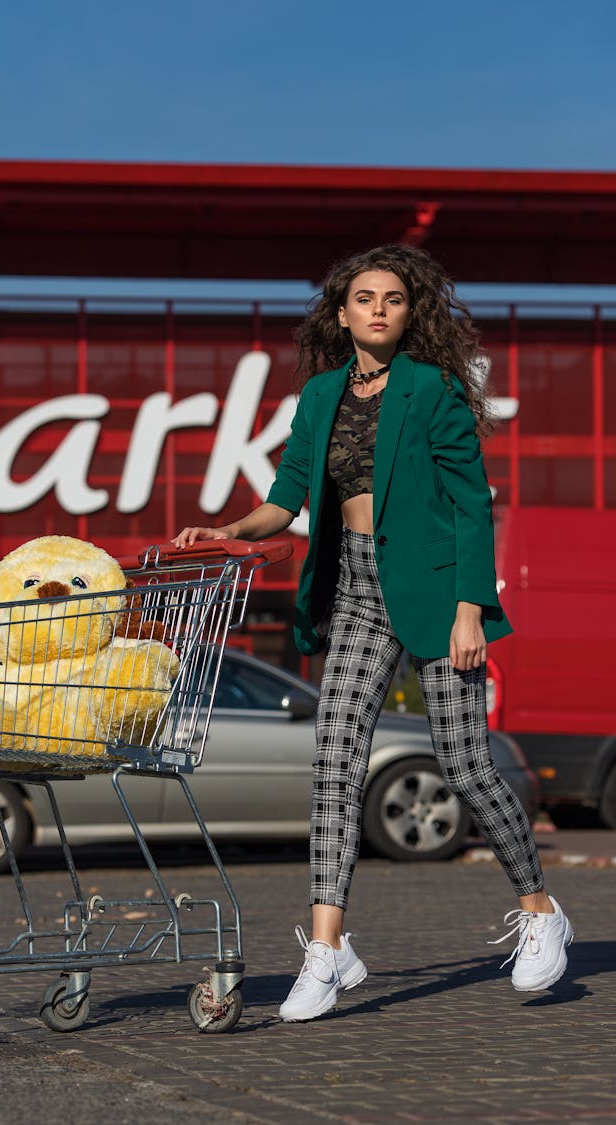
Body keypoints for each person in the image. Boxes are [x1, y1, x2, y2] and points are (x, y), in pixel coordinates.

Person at [172, 244, 573, 1022]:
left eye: (393, 297)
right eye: (365, 297)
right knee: (334, 764)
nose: (379, 308)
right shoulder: (321, 395)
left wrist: (468, 609)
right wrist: (226, 529)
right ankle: (326, 949)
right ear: (343, 311)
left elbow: (470, 504)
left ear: (409, 312)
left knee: (464, 765)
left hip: (431, 592)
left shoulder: (433, 391)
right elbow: (288, 496)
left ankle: (541, 910)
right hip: (351, 589)